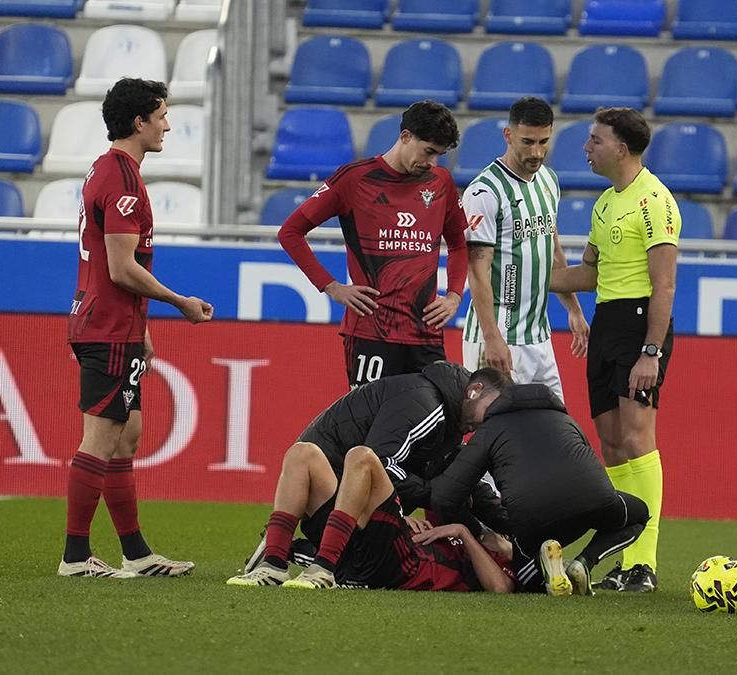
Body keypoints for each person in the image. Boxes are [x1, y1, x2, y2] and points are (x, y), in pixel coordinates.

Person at [62, 78, 214, 579]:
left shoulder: (106, 170)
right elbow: (122, 267)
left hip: (114, 323)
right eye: (162, 115)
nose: (168, 124)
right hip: (106, 327)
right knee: (100, 441)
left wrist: (141, 325)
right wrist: (180, 302)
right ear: (138, 122)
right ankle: (76, 557)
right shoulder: (123, 180)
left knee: (127, 437)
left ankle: (136, 554)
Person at [226, 362, 506, 587]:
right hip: (350, 509)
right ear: (475, 390)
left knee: (309, 453)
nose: (486, 423)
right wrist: (427, 500)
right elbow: (381, 462)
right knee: (313, 454)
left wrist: (516, 525)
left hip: (337, 511)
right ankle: (274, 565)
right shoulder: (427, 404)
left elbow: (466, 482)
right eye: (490, 411)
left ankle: (310, 559)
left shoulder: (447, 417)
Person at [549, 108, 680, 593]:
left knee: (638, 437)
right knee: (611, 442)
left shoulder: (655, 202)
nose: (586, 147)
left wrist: (651, 352)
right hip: (607, 322)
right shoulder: (605, 203)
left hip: (641, 325)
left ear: (621, 147)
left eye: (594, 140)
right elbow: (590, 274)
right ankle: (625, 558)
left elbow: (664, 285)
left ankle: (643, 564)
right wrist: (527, 278)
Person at [278, 100, 470, 387]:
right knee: (368, 425)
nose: (432, 163)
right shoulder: (354, 179)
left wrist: (454, 295)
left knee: (435, 426)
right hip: (371, 333)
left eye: (439, 155)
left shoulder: (440, 182)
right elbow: (290, 232)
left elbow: (458, 243)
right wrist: (331, 287)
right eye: (429, 152)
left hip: (425, 335)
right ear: (405, 137)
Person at [430, 372, 650, 596]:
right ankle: (584, 563)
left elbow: (444, 496)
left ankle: (546, 563)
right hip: (592, 501)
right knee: (639, 514)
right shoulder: (563, 418)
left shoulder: (490, 430)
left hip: (533, 522)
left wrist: (479, 531)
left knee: (531, 583)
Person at [460, 97, 589, 397]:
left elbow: (552, 249)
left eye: (543, 141)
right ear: (508, 135)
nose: (536, 152)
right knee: (497, 435)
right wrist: (492, 338)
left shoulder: (548, 180)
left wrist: (573, 308)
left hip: (539, 337)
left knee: (557, 432)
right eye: (527, 141)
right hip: (499, 336)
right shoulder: (484, 192)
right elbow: (477, 271)